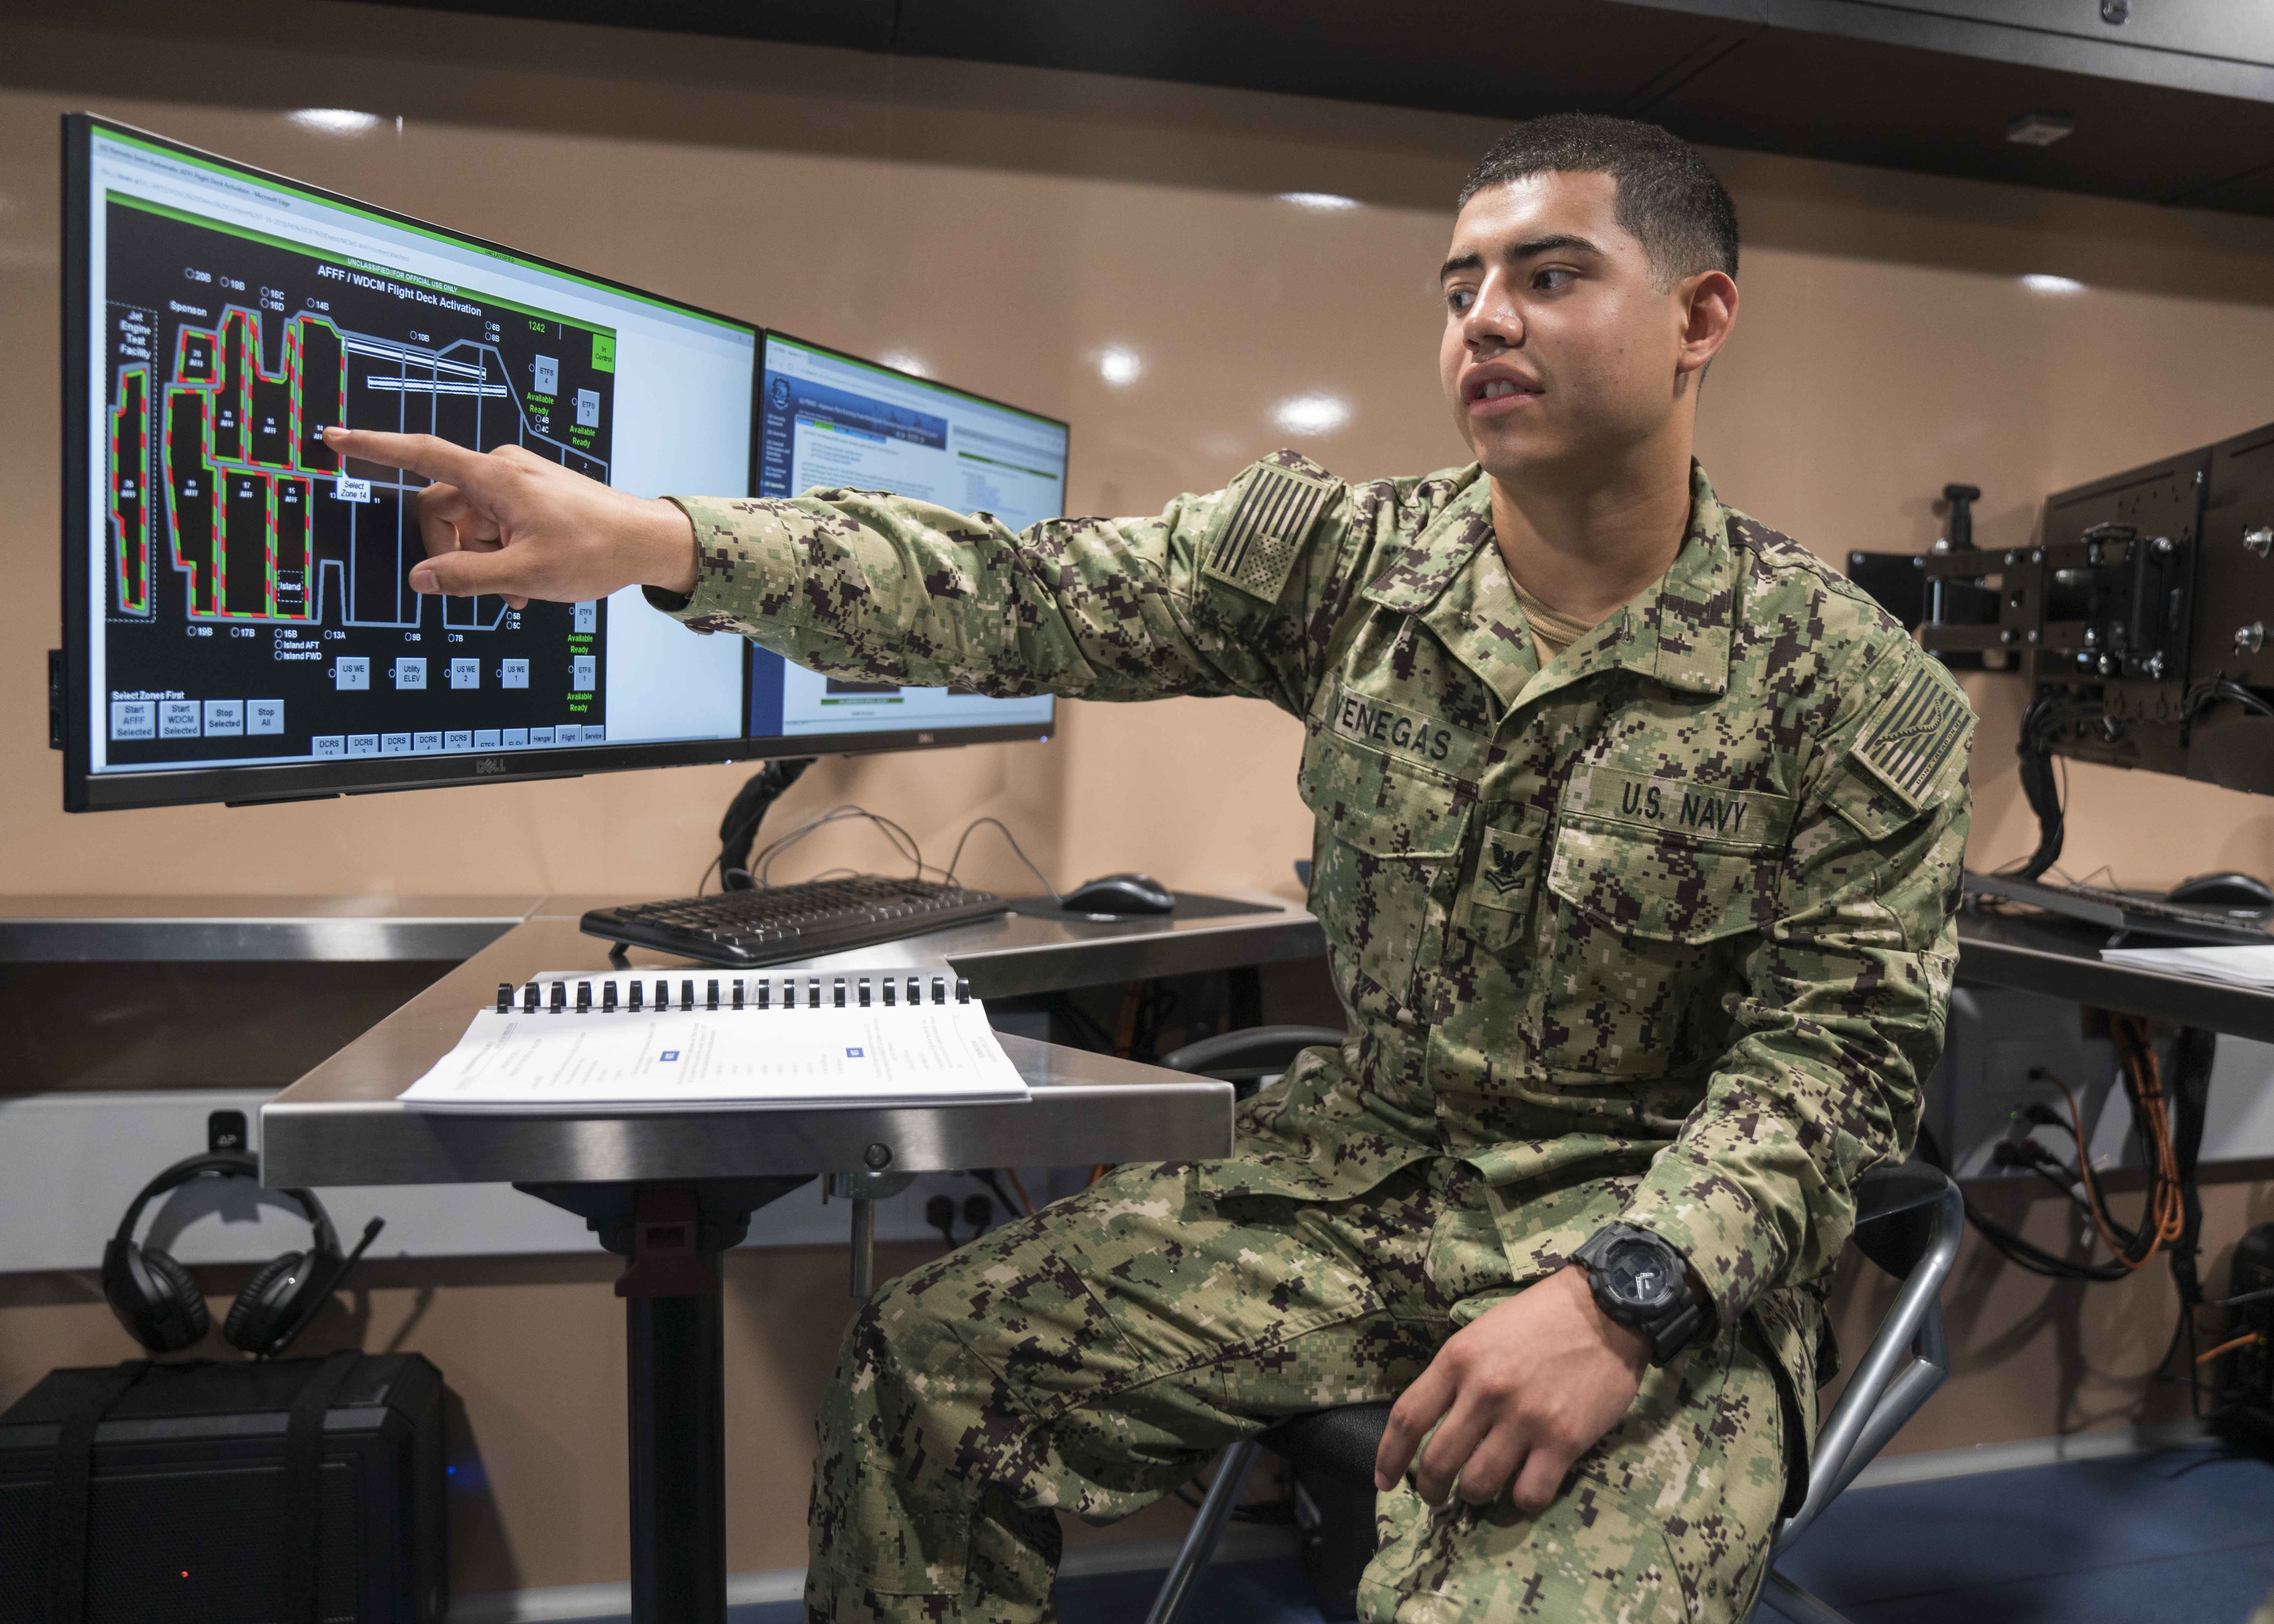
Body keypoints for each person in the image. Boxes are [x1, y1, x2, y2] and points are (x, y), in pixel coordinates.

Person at [328, 113, 1972, 1624]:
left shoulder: (1849, 682)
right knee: (932, 1372)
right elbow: (1015, 589)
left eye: (1553, 277)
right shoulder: (1352, 565)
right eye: (1460, 284)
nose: (1486, 320)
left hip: (1650, 1225)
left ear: (1701, 319)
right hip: (1366, 1185)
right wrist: (656, 544)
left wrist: (1622, 1301)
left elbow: (1837, 1060)